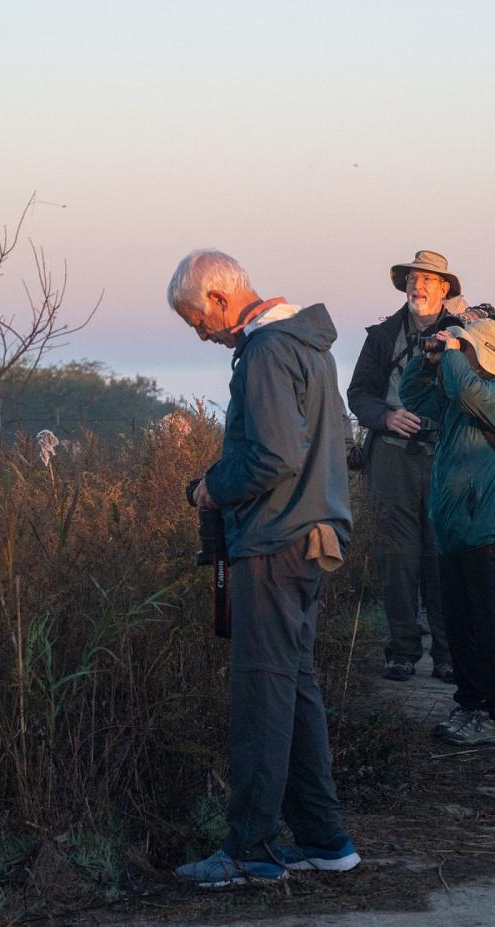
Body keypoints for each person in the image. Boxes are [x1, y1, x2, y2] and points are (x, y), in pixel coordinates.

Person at [167, 250, 359, 887]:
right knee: (294, 689)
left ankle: (249, 851)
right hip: (313, 537)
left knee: (260, 693)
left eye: (197, 318)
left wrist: (211, 489)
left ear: (221, 299)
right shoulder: (311, 346)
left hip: (275, 544)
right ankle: (325, 840)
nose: (199, 333)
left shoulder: (267, 350)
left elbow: (273, 455)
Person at [400, 317, 495, 746]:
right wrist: (427, 359)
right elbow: (413, 396)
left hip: (489, 528)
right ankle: (468, 704)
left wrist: (452, 350)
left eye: (468, 348)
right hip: (455, 528)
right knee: (458, 622)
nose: (459, 353)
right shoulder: (463, 397)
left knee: (485, 622)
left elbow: (464, 390)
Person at [347, 250, 458, 683]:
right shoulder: (382, 336)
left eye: (429, 279)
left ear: (445, 288)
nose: (419, 285)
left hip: (445, 456)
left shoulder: (465, 334)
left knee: (441, 556)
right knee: (396, 558)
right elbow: (358, 393)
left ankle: (448, 655)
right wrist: (386, 416)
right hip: (391, 456)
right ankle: (402, 652)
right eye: (413, 278)